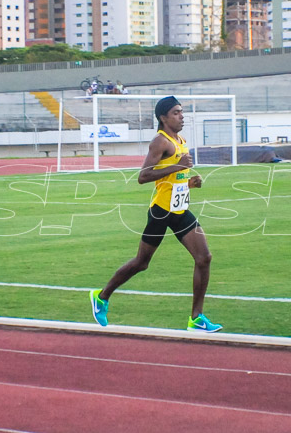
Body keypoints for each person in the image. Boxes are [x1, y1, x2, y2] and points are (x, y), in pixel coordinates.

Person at [89, 96, 221, 332]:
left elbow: (173, 180)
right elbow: (143, 176)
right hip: (161, 211)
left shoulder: (181, 140)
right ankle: (101, 296)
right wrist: (178, 166)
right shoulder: (160, 142)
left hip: (179, 210)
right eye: (176, 112)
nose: (182, 116)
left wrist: (190, 182)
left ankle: (196, 318)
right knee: (141, 263)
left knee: (204, 258)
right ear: (163, 117)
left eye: (182, 112)